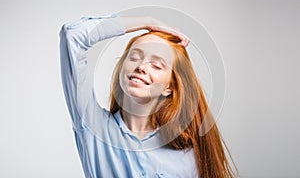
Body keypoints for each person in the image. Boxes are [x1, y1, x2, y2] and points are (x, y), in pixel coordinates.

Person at [60, 13, 237, 177]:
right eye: (135, 57)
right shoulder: (94, 127)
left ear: (169, 87)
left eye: (157, 65)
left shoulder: (187, 152)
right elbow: (73, 35)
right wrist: (147, 21)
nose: (141, 66)